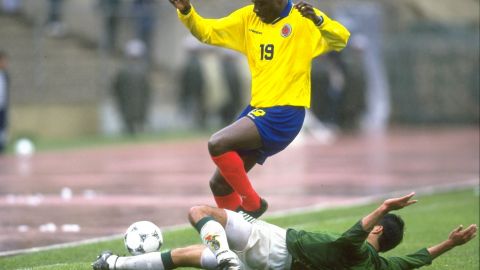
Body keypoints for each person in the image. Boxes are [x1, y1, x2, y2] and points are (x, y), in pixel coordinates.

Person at [167, 0, 350, 218]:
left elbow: (340, 39)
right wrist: (187, 12)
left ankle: (253, 204)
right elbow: (208, 32)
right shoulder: (248, 18)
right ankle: (241, 236)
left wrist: (319, 21)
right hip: (258, 109)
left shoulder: (304, 19)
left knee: (217, 143)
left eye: (261, 4)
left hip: (285, 112)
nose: (256, 9)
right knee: (219, 185)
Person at [92, 192, 478, 270]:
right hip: (275, 264)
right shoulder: (379, 268)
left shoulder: (358, 251)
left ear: (378, 228)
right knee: (186, 257)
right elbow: (414, 262)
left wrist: (382, 206)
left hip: (277, 245)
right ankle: (112, 266)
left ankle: (224, 253)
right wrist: (449, 243)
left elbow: (350, 238)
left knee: (199, 211)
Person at [111, 39, 152, 135]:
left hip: (127, 105)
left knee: (129, 127)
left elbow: (116, 89)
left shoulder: (123, 71)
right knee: (138, 126)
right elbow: (147, 90)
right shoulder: (142, 71)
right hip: (138, 105)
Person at [0, 51, 10, 154]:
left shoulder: (6, 75)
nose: (5, 63)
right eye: (3, 60)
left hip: (2, 106)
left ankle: (2, 147)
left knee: (3, 126)